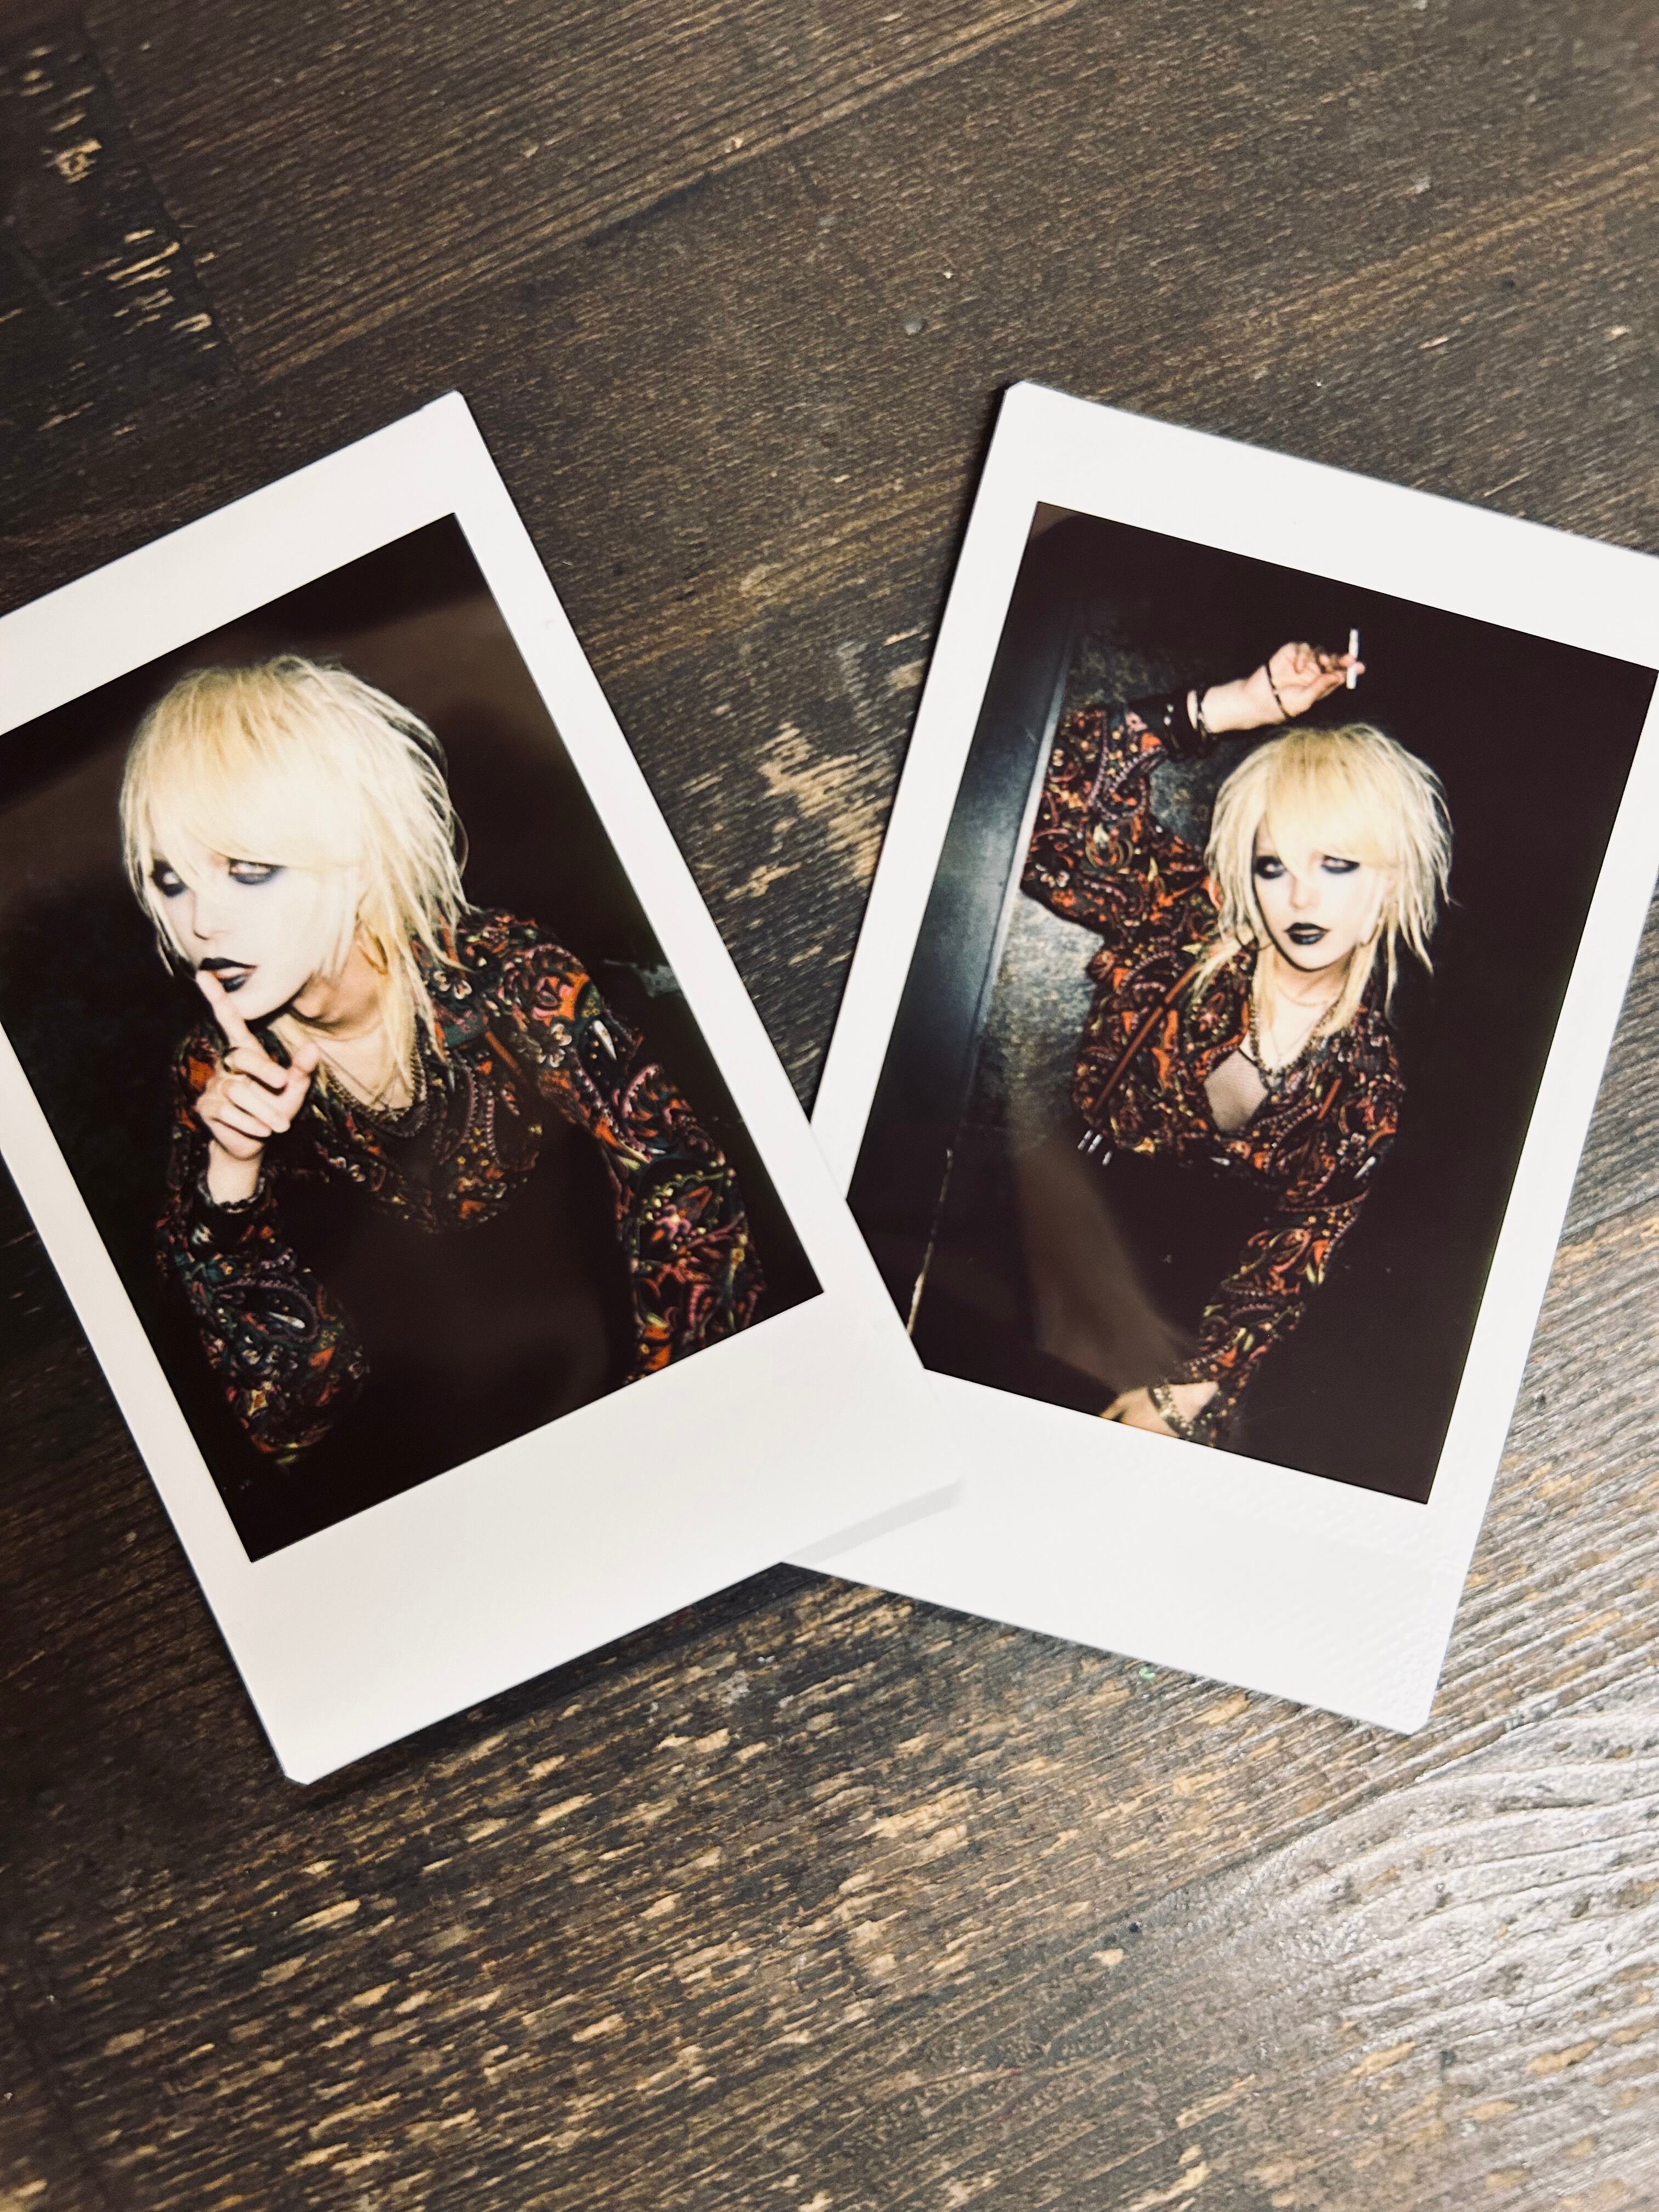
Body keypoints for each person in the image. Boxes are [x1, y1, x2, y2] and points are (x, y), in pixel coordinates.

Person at [119, 654, 763, 1469]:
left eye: (249, 872)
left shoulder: (506, 979)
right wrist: (233, 1179)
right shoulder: (215, 1077)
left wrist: (662, 1431)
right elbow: (290, 1416)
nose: (200, 922)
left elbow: (691, 1206)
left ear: (354, 860)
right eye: (171, 881)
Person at [1020, 639, 1451, 1448]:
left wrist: (1196, 1389)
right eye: (1273, 866)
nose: (1301, 897)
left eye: (1337, 864)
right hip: (1034, 1225)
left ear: (1388, 882)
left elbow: (1301, 1243)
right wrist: (1236, 706)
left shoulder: (1367, 1080)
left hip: (1178, 1316)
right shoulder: (1183, 923)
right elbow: (1052, 813)